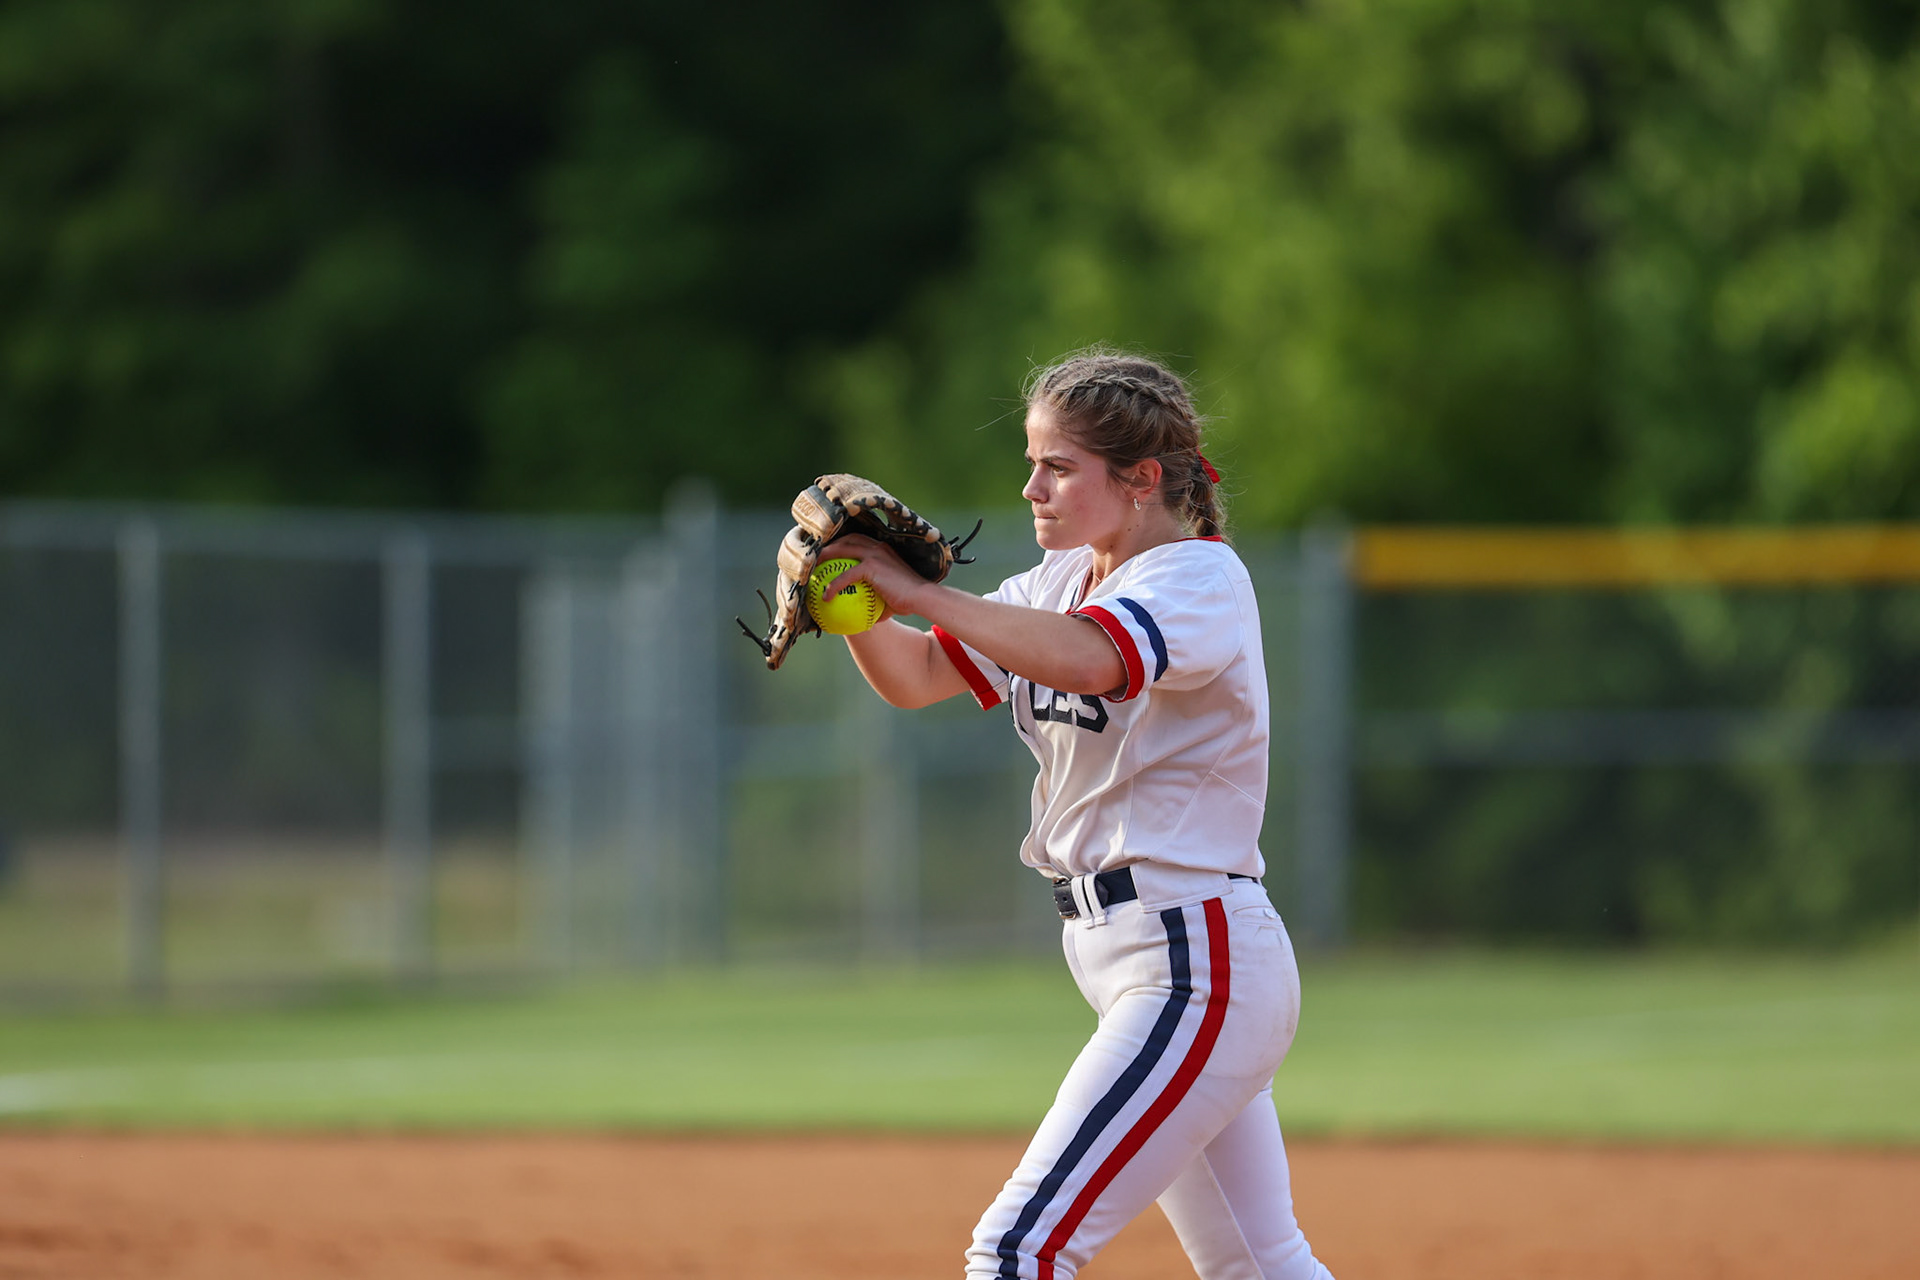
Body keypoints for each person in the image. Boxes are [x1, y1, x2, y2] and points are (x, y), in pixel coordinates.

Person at [821, 349, 1335, 1280]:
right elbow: (918, 674)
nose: (1032, 489)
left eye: (1058, 467)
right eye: (1033, 463)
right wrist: (853, 604)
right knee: (1258, 1266)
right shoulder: (1059, 583)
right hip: (1140, 955)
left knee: (1016, 1252)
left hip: (1195, 961)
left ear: (1141, 480)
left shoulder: (1197, 580)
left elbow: (1095, 660)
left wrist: (921, 592)